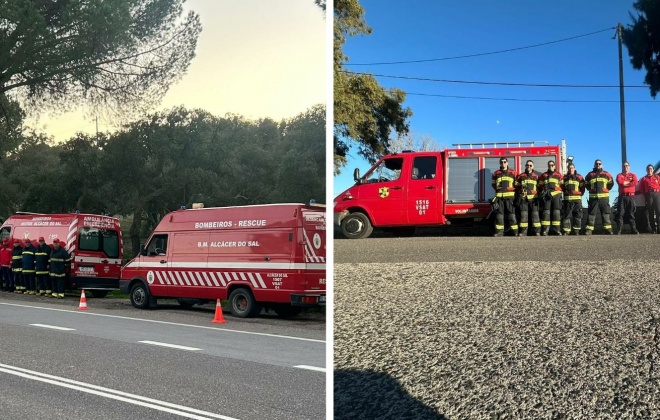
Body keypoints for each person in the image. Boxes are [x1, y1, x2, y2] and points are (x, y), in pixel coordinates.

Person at [584, 159, 614, 235]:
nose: (598, 165)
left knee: (605, 214)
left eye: (599, 164)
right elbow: (586, 183)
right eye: (596, 164)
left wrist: (606, 189)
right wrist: (590, 189)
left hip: (604, 198)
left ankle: (608, 230)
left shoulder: (607, 174)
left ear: (602, 165)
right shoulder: (590, 175)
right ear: (594, 165)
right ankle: (589, 230)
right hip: (593, 198)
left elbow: (611, 183)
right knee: (591, 214)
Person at [491, 157, 518, 236]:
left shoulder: (513, 172)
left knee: (511, 215)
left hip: (510, 198)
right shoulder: (496, 173)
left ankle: (515, 232)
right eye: (501, 162)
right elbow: (493, 184)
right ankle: (499, 232)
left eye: (505, 162)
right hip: (499, 198)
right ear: (500, 163)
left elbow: (516, 185)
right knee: (499, 215)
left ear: (507, 162)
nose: (503, 163)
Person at [538, 160, 564, 235]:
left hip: (556, 196)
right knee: (546, 212)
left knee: (556, 212)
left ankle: (557, 230)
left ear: (554, 166)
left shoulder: (559, 175)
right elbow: (540, 185)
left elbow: (563, 186)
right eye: (549, 165)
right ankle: (545, 230)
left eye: (552, 165)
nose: (551, 166)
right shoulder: (544, 175)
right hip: (547, 196)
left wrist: (556, 189)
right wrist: (544, 190)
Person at [515, 160, 540, 236]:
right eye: (527, 165)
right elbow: (516, 186)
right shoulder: (520, 176)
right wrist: (520, 191)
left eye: (530, 165)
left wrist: (537, 192)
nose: (529, 167)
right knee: (523, 216)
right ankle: (523, 232)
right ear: (525, 166)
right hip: (524, 199)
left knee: (535, 216)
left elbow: (541, 187)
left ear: (533, 166)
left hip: (534, 199)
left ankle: (537, 232)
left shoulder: (536, 176)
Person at [561, 162, 585, 235]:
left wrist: (579, 193)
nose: (571, 169)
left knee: (577, 216)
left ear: (574, 168)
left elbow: (582, 188)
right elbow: (562, 187)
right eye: (569, 168)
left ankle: (576, 231)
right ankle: (566, 231)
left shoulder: (579, 177)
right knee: (566, 216)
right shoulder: (564, 177)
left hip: (577, 200)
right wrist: (566, 192)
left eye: (572, 168)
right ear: (568, 169)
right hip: (567, 200)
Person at [615, 162, 639, 234]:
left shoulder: (633, 175)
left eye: (627, 166)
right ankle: (619, 230)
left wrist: (626, 183)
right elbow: (620, 182)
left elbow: (634, 182)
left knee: (631, 213)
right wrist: (629, 182)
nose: (625, 167)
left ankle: (633, 229)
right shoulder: (619, 175)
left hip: (631, 197)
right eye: (624, 166)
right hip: (622, 196)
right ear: (622, 167)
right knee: (620, 213)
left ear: (629, 167)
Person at [638, 163, 660, 233]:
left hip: (657, 194)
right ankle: (653, 229)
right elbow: (641, 188)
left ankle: (659, 228)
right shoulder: (644, 178)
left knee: (658, 211)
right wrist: (646, 194)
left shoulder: (657, 177)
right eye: (648, 169)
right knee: (650, 211)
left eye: (651, 169)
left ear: (653, 170)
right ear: (646, 170)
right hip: (648, 195)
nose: (649, 170)